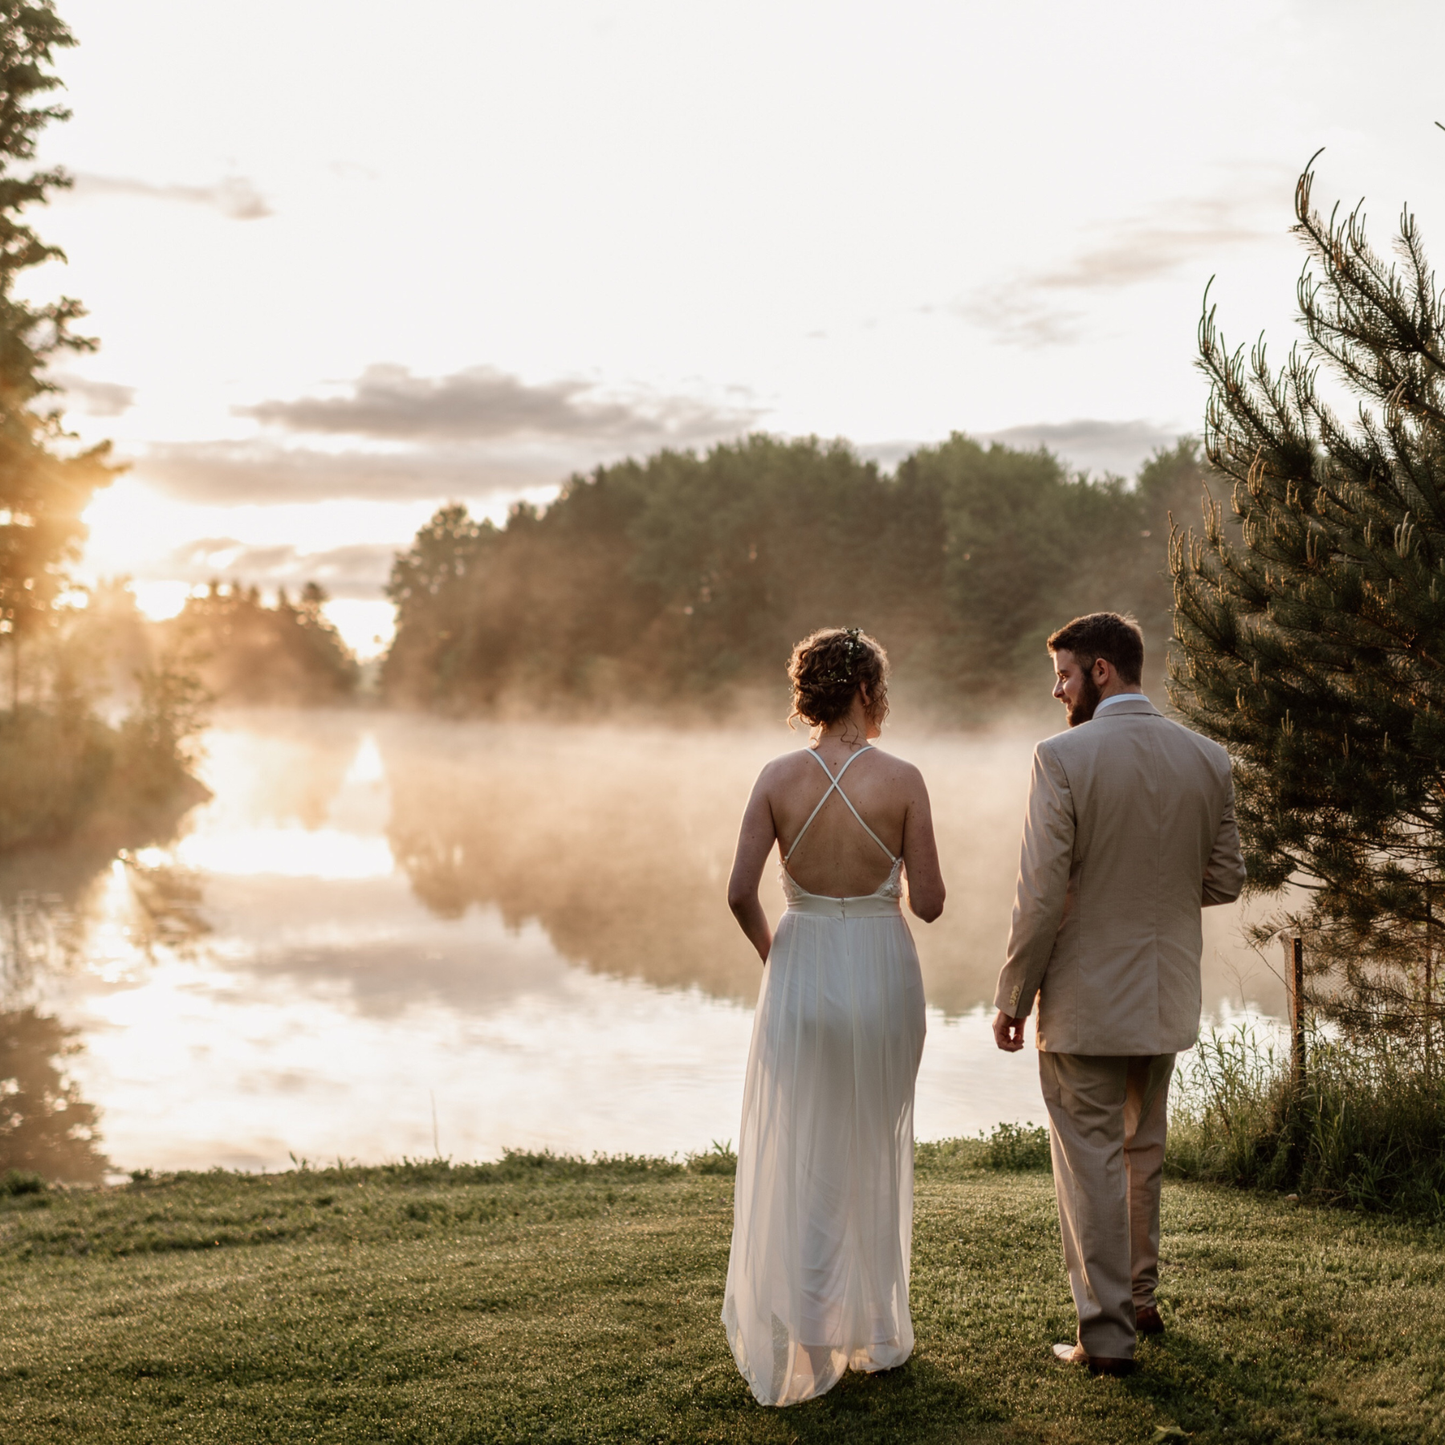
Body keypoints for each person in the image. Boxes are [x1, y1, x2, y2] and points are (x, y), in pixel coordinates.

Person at [992, 612, 1246, 1376]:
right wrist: (1151, 894)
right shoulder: (1208, 758)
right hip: (1164, 991)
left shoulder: (1060, 757)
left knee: (1091, 1162)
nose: (1056, 689)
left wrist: (1012, 994)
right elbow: (1225, 878)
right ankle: (1138, 1298)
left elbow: (1039, 897)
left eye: (1064, 674)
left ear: (1101, 670)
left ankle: (1104, 1338)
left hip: (1085, 998)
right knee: (1141, 1152)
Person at [721, 626, 945, 1407]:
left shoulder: (778, 777)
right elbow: (934, 903)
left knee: (809, 1156)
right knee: (871, 1147)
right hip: (883, 971)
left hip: (803, 966)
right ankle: (876, 1328)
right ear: (863, 690)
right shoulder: (904, 778)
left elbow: (739, 892)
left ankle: (814, 1344)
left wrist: (778, 953)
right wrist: (885, 875)